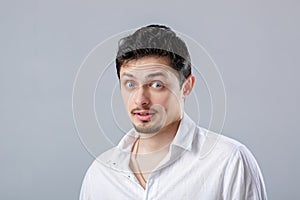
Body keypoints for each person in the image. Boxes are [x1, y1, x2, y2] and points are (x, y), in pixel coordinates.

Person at [79, 24, 267, 200]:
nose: (140, 99)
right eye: (130, 84)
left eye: (157, 84)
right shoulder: (100, 174)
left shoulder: (228, 162)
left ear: (186, 86)